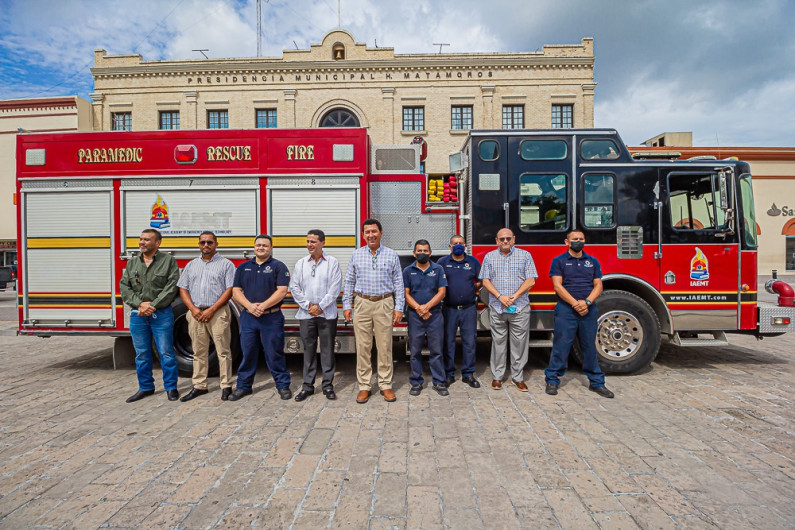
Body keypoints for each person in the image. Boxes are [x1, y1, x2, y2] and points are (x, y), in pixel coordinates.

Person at [544, 230, 614, 398]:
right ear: (566, 242)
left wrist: (587, 302)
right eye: (575, 239)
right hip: (566, 309)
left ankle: (597, 383)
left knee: (589, 347)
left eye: (581, 239)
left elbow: (598, 285)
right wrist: (575, 303)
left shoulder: (592, 262)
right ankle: (552, 380)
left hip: (588, 310)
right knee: (561, 346)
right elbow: (557, 286)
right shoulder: (559, 261)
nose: (578, 241)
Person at [343, 219, 405, 404]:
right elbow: (349, 281)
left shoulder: (391, 254)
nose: (371, 235)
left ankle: (385, 384)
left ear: (381, 232)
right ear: (363, 235)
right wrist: (347, 305)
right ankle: (364, 386)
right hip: (362, 303)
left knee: (385, 346)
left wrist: (399, 307)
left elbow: (398, 283)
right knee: (363, 347)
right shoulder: (356, 255)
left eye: (374, 231)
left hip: (384, 303)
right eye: (367, 232)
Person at [229, 235, 292, 401]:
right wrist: (250, 307)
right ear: (254, 247)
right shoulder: (243, 268)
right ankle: (243, 387)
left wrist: (263, 306)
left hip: (271, 318)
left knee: (274, 353)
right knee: (248, 352)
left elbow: (282, 290)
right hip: (249, 318)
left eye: (265, 245)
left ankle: (283, 385)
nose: (261, 248)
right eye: (258, 245)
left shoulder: (278, 266)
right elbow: (236, 290)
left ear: (271, 248)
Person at [120, 229, 180, 402]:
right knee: (141, 353)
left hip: (161, 314)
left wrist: (152, 305)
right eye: (141, 239)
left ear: (157, 243)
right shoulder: (132, 263)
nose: (142, 242)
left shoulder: (168, 261)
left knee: (166, 352)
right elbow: (125, 286)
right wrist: (140, 304)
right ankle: (145, 387)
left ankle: (171, 387)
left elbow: (171, 287)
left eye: (146, 240)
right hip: (138, 314)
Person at [176, 231, 236, 402]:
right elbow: (183, 288)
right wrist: (193, 309)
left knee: (223, 351)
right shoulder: (192, 265)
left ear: (216, 244)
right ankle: (199, 386)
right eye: (203, 242)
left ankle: (226, 385)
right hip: (196, 313)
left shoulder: (226, 264)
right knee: (199, 351)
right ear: (199, 244)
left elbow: (230, 289)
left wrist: (212, 309)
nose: (206, 245)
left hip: (218, 312)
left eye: (210, 242)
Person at [479, 228, 538, 391]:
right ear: (496, 241)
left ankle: (518, 377)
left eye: (508, 238)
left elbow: (531, 280)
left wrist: (514, 296)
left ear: (514, 239)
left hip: (519, 307)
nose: (505, 241)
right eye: (502, 239)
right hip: (497, 307)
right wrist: (500, 297)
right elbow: (485, 281)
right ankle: (497, 376)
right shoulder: (489, 257)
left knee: (519, 343)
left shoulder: (525, 255)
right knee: (498, 342)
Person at [290, 229, 343, 402]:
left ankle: (328, 385)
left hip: (327, 314)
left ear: (323, 243)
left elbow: (335, 288)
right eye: (308, 241)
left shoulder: (332, 263)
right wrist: (308, 306)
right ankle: (308, 386)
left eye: (313, 241)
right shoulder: (301, 263)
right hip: (306, 315)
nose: (309, 245)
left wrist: (320, 306)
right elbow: (294, 287)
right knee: (308, 351)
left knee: (327, 350)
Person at [403, 240, 448, 396]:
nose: (422, 253)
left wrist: (426, 308)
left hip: (435, 315)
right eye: (419, 251)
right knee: (415, 351)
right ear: (414, 253)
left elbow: (442, 292)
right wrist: (419, 309)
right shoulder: (408, 271)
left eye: (425, 250)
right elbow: (405, 293)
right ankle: (416, 382)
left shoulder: (438, 269)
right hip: (415, 316)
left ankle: (439, 382)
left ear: (430, 253)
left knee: (437, 350)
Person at [438, 235, 482, 388]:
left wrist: (472, 289)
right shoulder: (442, 262)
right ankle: (449, 374)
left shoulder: (473, 262)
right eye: (455, 243)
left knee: (470, 342)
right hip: (449, 309)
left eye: (461, 243)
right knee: (448, 342)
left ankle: (468, 374)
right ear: (450, 246)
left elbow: (481, 280)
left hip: (468, 309)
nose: (458, 245)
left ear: (465, 246)